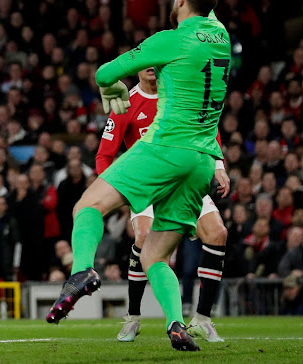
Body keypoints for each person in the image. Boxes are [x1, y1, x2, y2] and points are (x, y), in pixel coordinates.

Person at [46, 0, 229, 353]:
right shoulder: (218, 34)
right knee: (153, 256)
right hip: (203, 160)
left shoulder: (170, 39)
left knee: (86, 206)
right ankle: (175, 324)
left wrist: (111, 90)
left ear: (181, 0)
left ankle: (82, 271)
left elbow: (106, 72)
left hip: (166, 147)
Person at [96, 68, 229, 343]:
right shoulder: (126, 103)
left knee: (218, 233)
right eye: (148, 62)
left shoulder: (180, 94)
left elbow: (208, 128)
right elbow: (105, 154)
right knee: (144, 237)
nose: (152, 67)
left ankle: (202, 318)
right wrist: (114, 191)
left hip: (184, 180)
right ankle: (133, 316)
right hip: (147, 185)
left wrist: (218, 165)